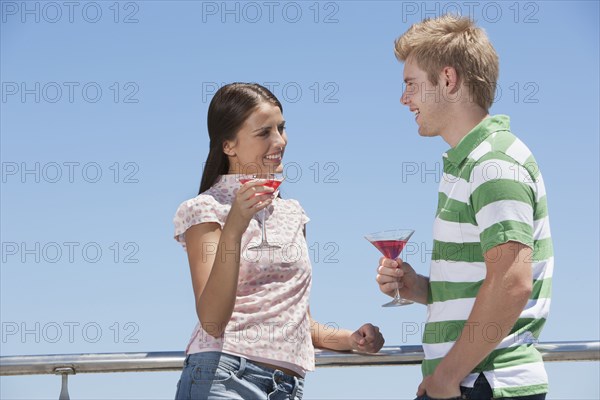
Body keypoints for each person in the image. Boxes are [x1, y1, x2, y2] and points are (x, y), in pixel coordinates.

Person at [375, 14, 553, 400]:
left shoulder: (493, 165)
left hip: (482, 384)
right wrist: (419, 288)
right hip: (468, 384)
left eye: (411, 85)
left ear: (448, 79)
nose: (404, 99)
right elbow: (487, 282)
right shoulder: (469, 165)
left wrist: (446, 377)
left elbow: (511, 282)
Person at [173, 82, 384, 400]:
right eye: (264, 133)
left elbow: (300, 321)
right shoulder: (204, 209)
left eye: (281, 129)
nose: (280, 141)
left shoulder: (293, 213)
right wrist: (234, 228)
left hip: (287, 388)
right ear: (229, 145)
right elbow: (213, 321)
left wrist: (351, 339)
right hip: (223, 376)